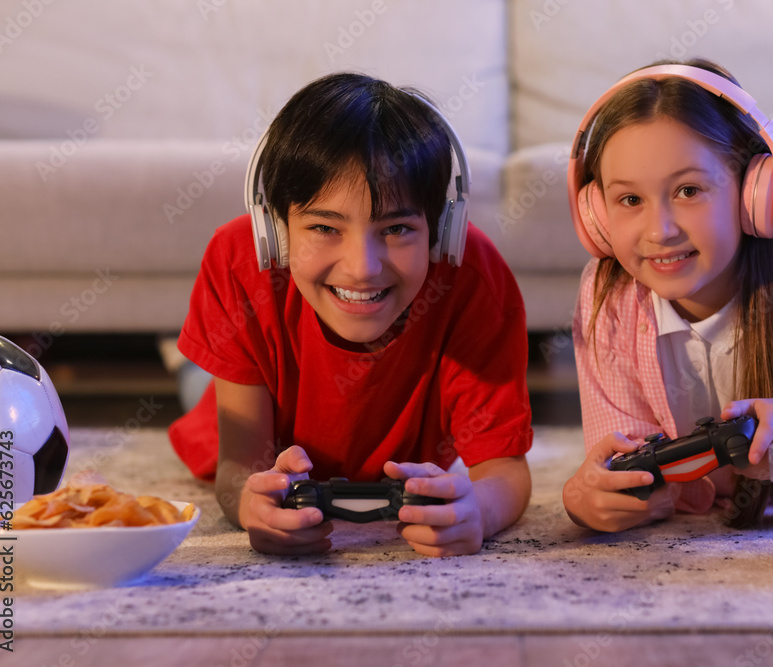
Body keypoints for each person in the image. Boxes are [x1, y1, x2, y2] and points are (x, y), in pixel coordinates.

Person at [168, 72, 533, 557]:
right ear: (275, 235)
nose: (363, 269)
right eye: (324, 226)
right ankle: (189, 362)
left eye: (398, 228)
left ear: (441, 232)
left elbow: (505, 473)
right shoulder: (239, 261)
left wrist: (478, 512)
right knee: (200, 386)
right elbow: (240, 468)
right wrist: (252, 505)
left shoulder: (473, 276)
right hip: (244, 392)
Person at [561, 59, 773, 532]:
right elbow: (620, 464)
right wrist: (585, 497)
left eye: (688, 190)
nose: (659, 231)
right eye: (629, 200)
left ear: (758, 192)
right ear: (596, 214)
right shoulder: (606, 295)